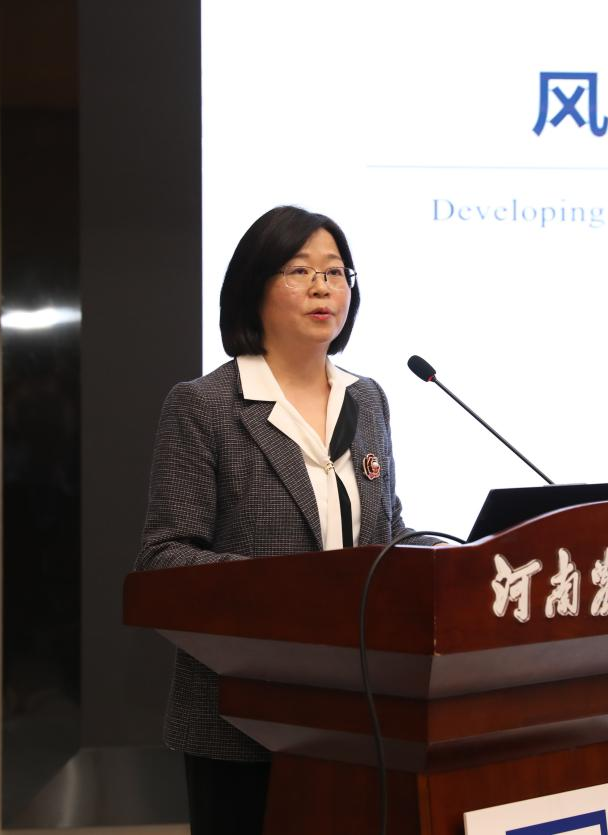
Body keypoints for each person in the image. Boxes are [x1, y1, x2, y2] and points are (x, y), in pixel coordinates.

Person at [135, 205, 432, 834]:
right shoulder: (205, 407)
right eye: (300, 271)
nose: (324, 287)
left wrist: (457, 558)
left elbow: (386, 531)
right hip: (244, 714)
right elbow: (165, 560)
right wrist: (294, 594)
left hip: (362, 710)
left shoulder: (366, 399)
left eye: (336, 272)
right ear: (254, 287)